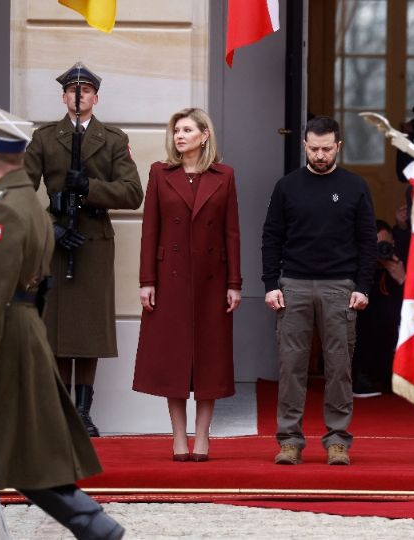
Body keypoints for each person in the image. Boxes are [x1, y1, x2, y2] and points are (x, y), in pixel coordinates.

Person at [0, 104, 123, 540]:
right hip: (16, 336)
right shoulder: (23, 201)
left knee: (11, 455)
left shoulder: (3, 209)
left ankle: (93, 525)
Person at [25, 62, 144, 436]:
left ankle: (83, 412)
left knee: (89, 330)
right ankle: (60, 410)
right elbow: (20, 194)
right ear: (63, 97)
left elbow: (132, 192)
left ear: (95, 97)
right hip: (57, 240)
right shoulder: (44, 138)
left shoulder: (111, 138)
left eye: (86, 92)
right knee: (57, 329)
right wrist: (50, 228)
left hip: (93, 241)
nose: (79, 98)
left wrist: (90, 187)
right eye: (72, 92)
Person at [261, 116, 377, 466]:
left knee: (339, 367)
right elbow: (271, 238)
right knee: (291, 366)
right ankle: (289, 440)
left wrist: (363, 287)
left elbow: (367, 242)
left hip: (340, 287)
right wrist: (270, 285)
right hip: (293, 284)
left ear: (338, 146)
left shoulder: (356, 187)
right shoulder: (287, 186)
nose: (320, 155)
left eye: (327, 149)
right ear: (304, 146)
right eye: (314, 149)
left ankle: (338, 439)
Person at [132, 108, 242, 462]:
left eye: (188, 130)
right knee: (173, 358)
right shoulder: (160, 174)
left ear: (204, 135)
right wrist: (147, 281)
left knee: (210, 359)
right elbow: (150, 230)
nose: (180, 136)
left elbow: (231, 233)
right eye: (177, 130)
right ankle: (179, 436)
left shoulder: (224, 176)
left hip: (212, 279)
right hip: (171, 279)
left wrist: (234, 282)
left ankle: (204, 436)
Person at [352, 220, 406, 397]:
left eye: (383, 245)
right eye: (373, 246)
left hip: (393, 344)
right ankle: (359, 376)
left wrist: (402, 281)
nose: (379, 251)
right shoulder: (356, 268)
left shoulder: (404, 265)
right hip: (364, 345)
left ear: (393, 244)